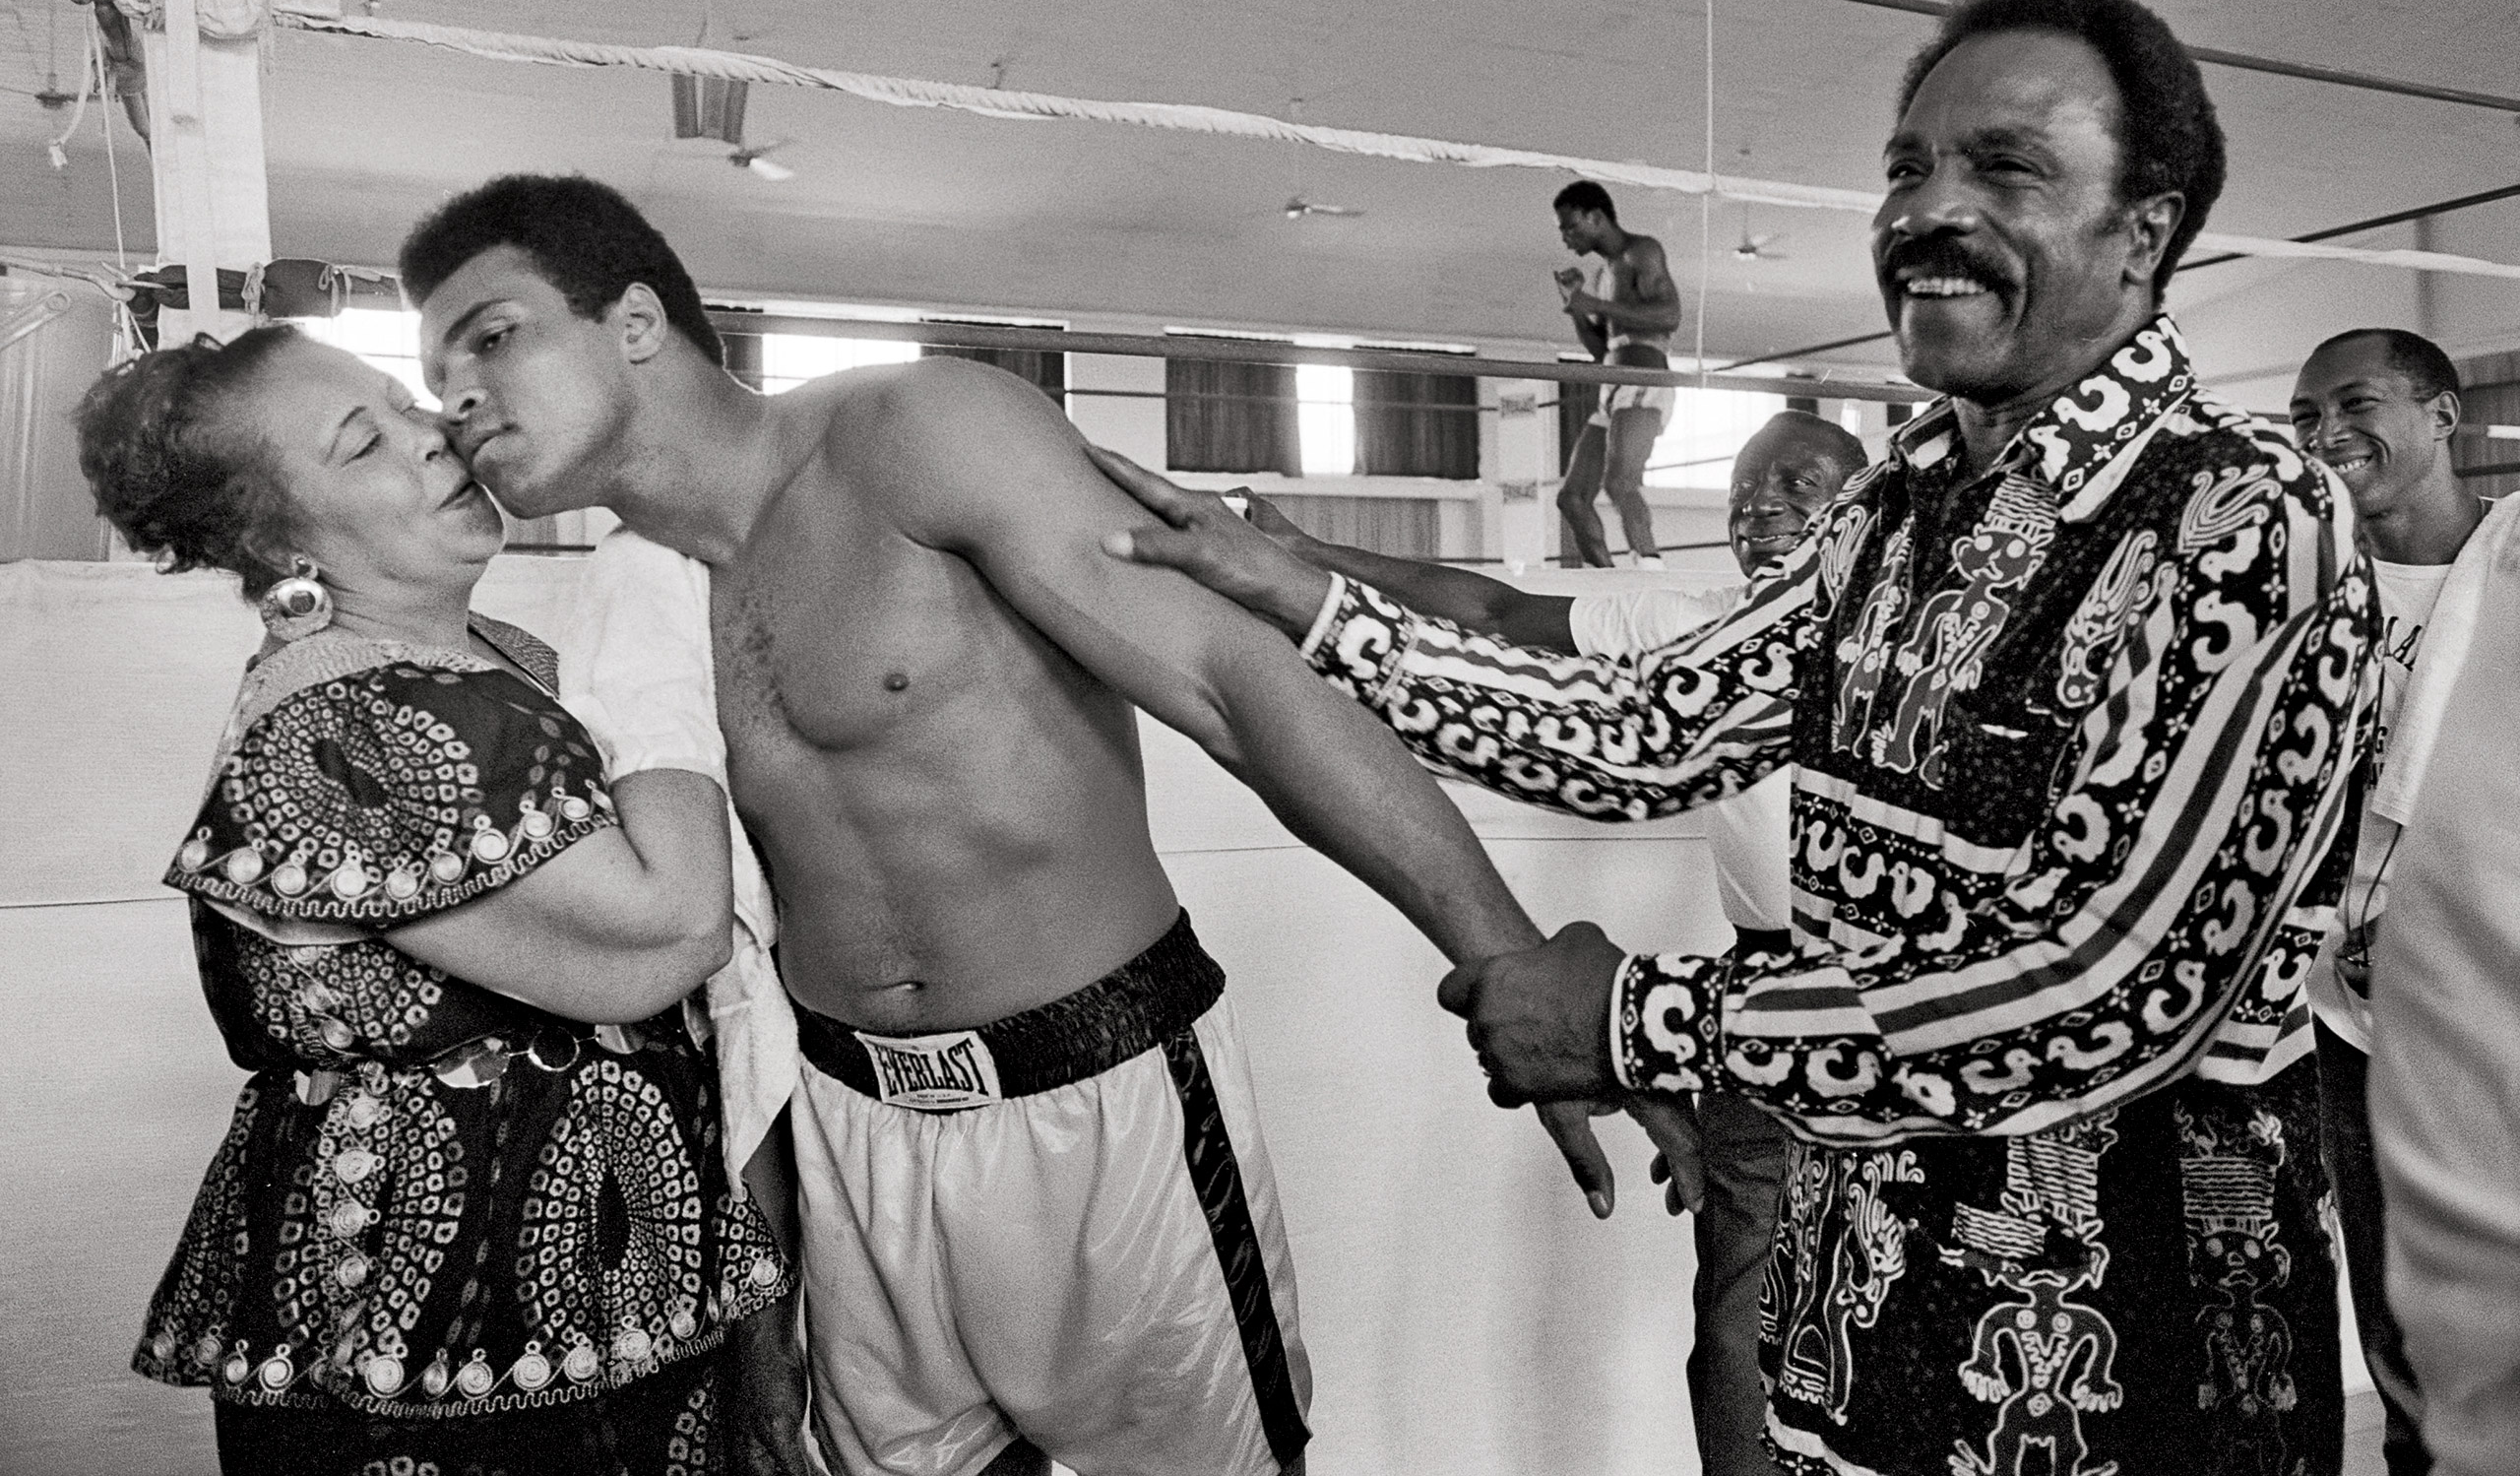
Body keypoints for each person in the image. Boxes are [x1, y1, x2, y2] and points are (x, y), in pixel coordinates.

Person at [1094, 0, 2377, 1476]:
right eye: (1908, 167)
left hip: (2115, 1379)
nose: (1926, 210)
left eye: (2006, 167)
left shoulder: (2240, 514)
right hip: (1858, 1343)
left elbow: (2099, 990)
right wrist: (1303, 595)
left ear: (2144, 227)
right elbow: (1645, 726)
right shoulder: (1896, 509)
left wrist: (1633, 1016)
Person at [397, 175, 1688, 1476]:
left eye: (492, 335)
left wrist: (1513, 958)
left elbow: (1238, 686)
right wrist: (768, 1270)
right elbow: (708, 962)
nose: (454, 388)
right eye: (433, 362)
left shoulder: (915, 430)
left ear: (630, 321)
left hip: (1106, 1108)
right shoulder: (634, 589)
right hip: (857, 1137)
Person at [73, 327, 794, 1475]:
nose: (431, 434)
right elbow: (670, 934)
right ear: (273, 539)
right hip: (455, 1337)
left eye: (406, 405)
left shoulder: (486, 664)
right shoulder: (354, 721)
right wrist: (652, 600)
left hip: (606, 1300)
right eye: (365, 444)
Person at [1228, 406, 1866, 1476]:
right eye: (1746, 491)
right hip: (1762, 998)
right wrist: (1301, 557)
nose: (1761, 508)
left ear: (1863, 510)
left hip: (1923, 998)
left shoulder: (1937, 647)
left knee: (1924, 1298)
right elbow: (1499, 610)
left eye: (1798, 486)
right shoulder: (1701, 628)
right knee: (1740, 1313)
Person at [2288, 329, 2484, 1476]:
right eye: (2304, 415)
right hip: (2340, 1012)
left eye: (2353, 402)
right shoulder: (2305, 590)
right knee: (2396, 1309)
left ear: (2443, 413)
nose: (2323, 434)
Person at [1552, 179, 1683, 568]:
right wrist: (1577, 306)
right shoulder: (1603, 273)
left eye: (1570, 226)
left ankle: (1652, 570)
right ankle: (1607, 580)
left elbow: (1669, 316)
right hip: (1612, 385)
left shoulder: (1642, 251)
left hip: (1646, 379)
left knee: (1620, 482)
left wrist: (1594, 303)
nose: (1565, 237)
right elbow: (1601, 349)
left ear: (1595, 217)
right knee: (1572, 498)